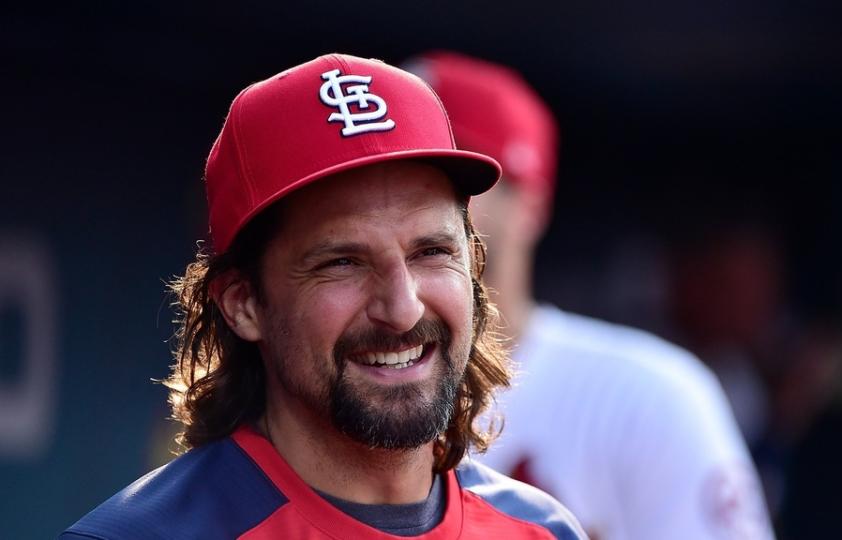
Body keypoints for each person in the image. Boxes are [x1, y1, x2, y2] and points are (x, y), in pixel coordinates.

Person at [60, 53, 585, 539]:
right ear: (243, 303)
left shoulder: (542, 530)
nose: (402, 308)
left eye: (431, 252)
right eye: (343, 263)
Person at [405, 51, 776, 540]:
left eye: (448, 173)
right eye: (386, 176)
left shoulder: (648, 395)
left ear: (530, 203)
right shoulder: (326, 395)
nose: (406, 201)